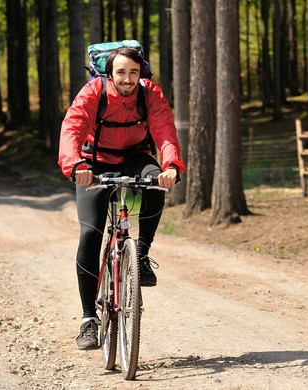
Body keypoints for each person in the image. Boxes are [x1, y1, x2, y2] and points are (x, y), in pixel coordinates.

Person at [57, 47, 185, 350]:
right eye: (121, 72)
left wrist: (171, 165)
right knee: (90, 233)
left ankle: (140, 254)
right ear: (109, 74)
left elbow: (165, 129)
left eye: (134, 72)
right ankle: (89, 319)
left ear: (141, 73)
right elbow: (72, 127)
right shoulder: (93, 92)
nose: (128, 79)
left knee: (156, 184)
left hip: (135, 157)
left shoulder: (149, 93)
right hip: (94, 161)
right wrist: (75, 165)